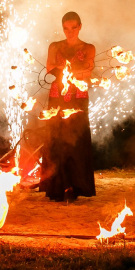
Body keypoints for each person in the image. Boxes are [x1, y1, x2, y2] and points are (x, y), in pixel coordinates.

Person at [38, 11, 96, 202]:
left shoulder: (88, 48)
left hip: (78, 97)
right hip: (57, 97)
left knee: (77, 140)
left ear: (80, 27)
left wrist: (68, 71)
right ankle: (56, 186)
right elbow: (49, 69)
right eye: (65, 28)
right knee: (56, 138)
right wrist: (72, 70)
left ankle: (76, 186)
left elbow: (87, 73)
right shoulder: (55, 46)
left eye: (73, 28)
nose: (69, 32)